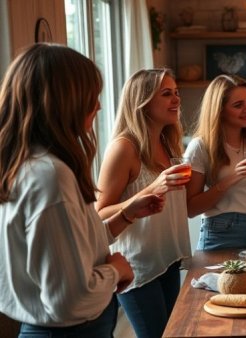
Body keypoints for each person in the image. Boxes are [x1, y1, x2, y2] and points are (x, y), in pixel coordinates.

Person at [0, 44, 165, 337]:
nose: (99, 106)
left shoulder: (24, 165)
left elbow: (67, 249)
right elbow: (69, 299)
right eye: (92, 96)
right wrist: (117, 270)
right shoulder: (50, 176)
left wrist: (125, 215)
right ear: (67, 100)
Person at [95, 69, 192, 338]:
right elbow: (99, 213)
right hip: (138, 264)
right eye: (166, 94)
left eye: (176, 93)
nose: (176, 100)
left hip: (167, 257)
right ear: (143, 101)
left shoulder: (168, 143)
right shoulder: (123, 148)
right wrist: (153, 187)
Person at [185, 74, 246, 250]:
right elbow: (191, 209)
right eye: (238, 105)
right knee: (217, 279)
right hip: (222, 232)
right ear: (219, 110)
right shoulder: (200, 147)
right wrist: (230, 179)